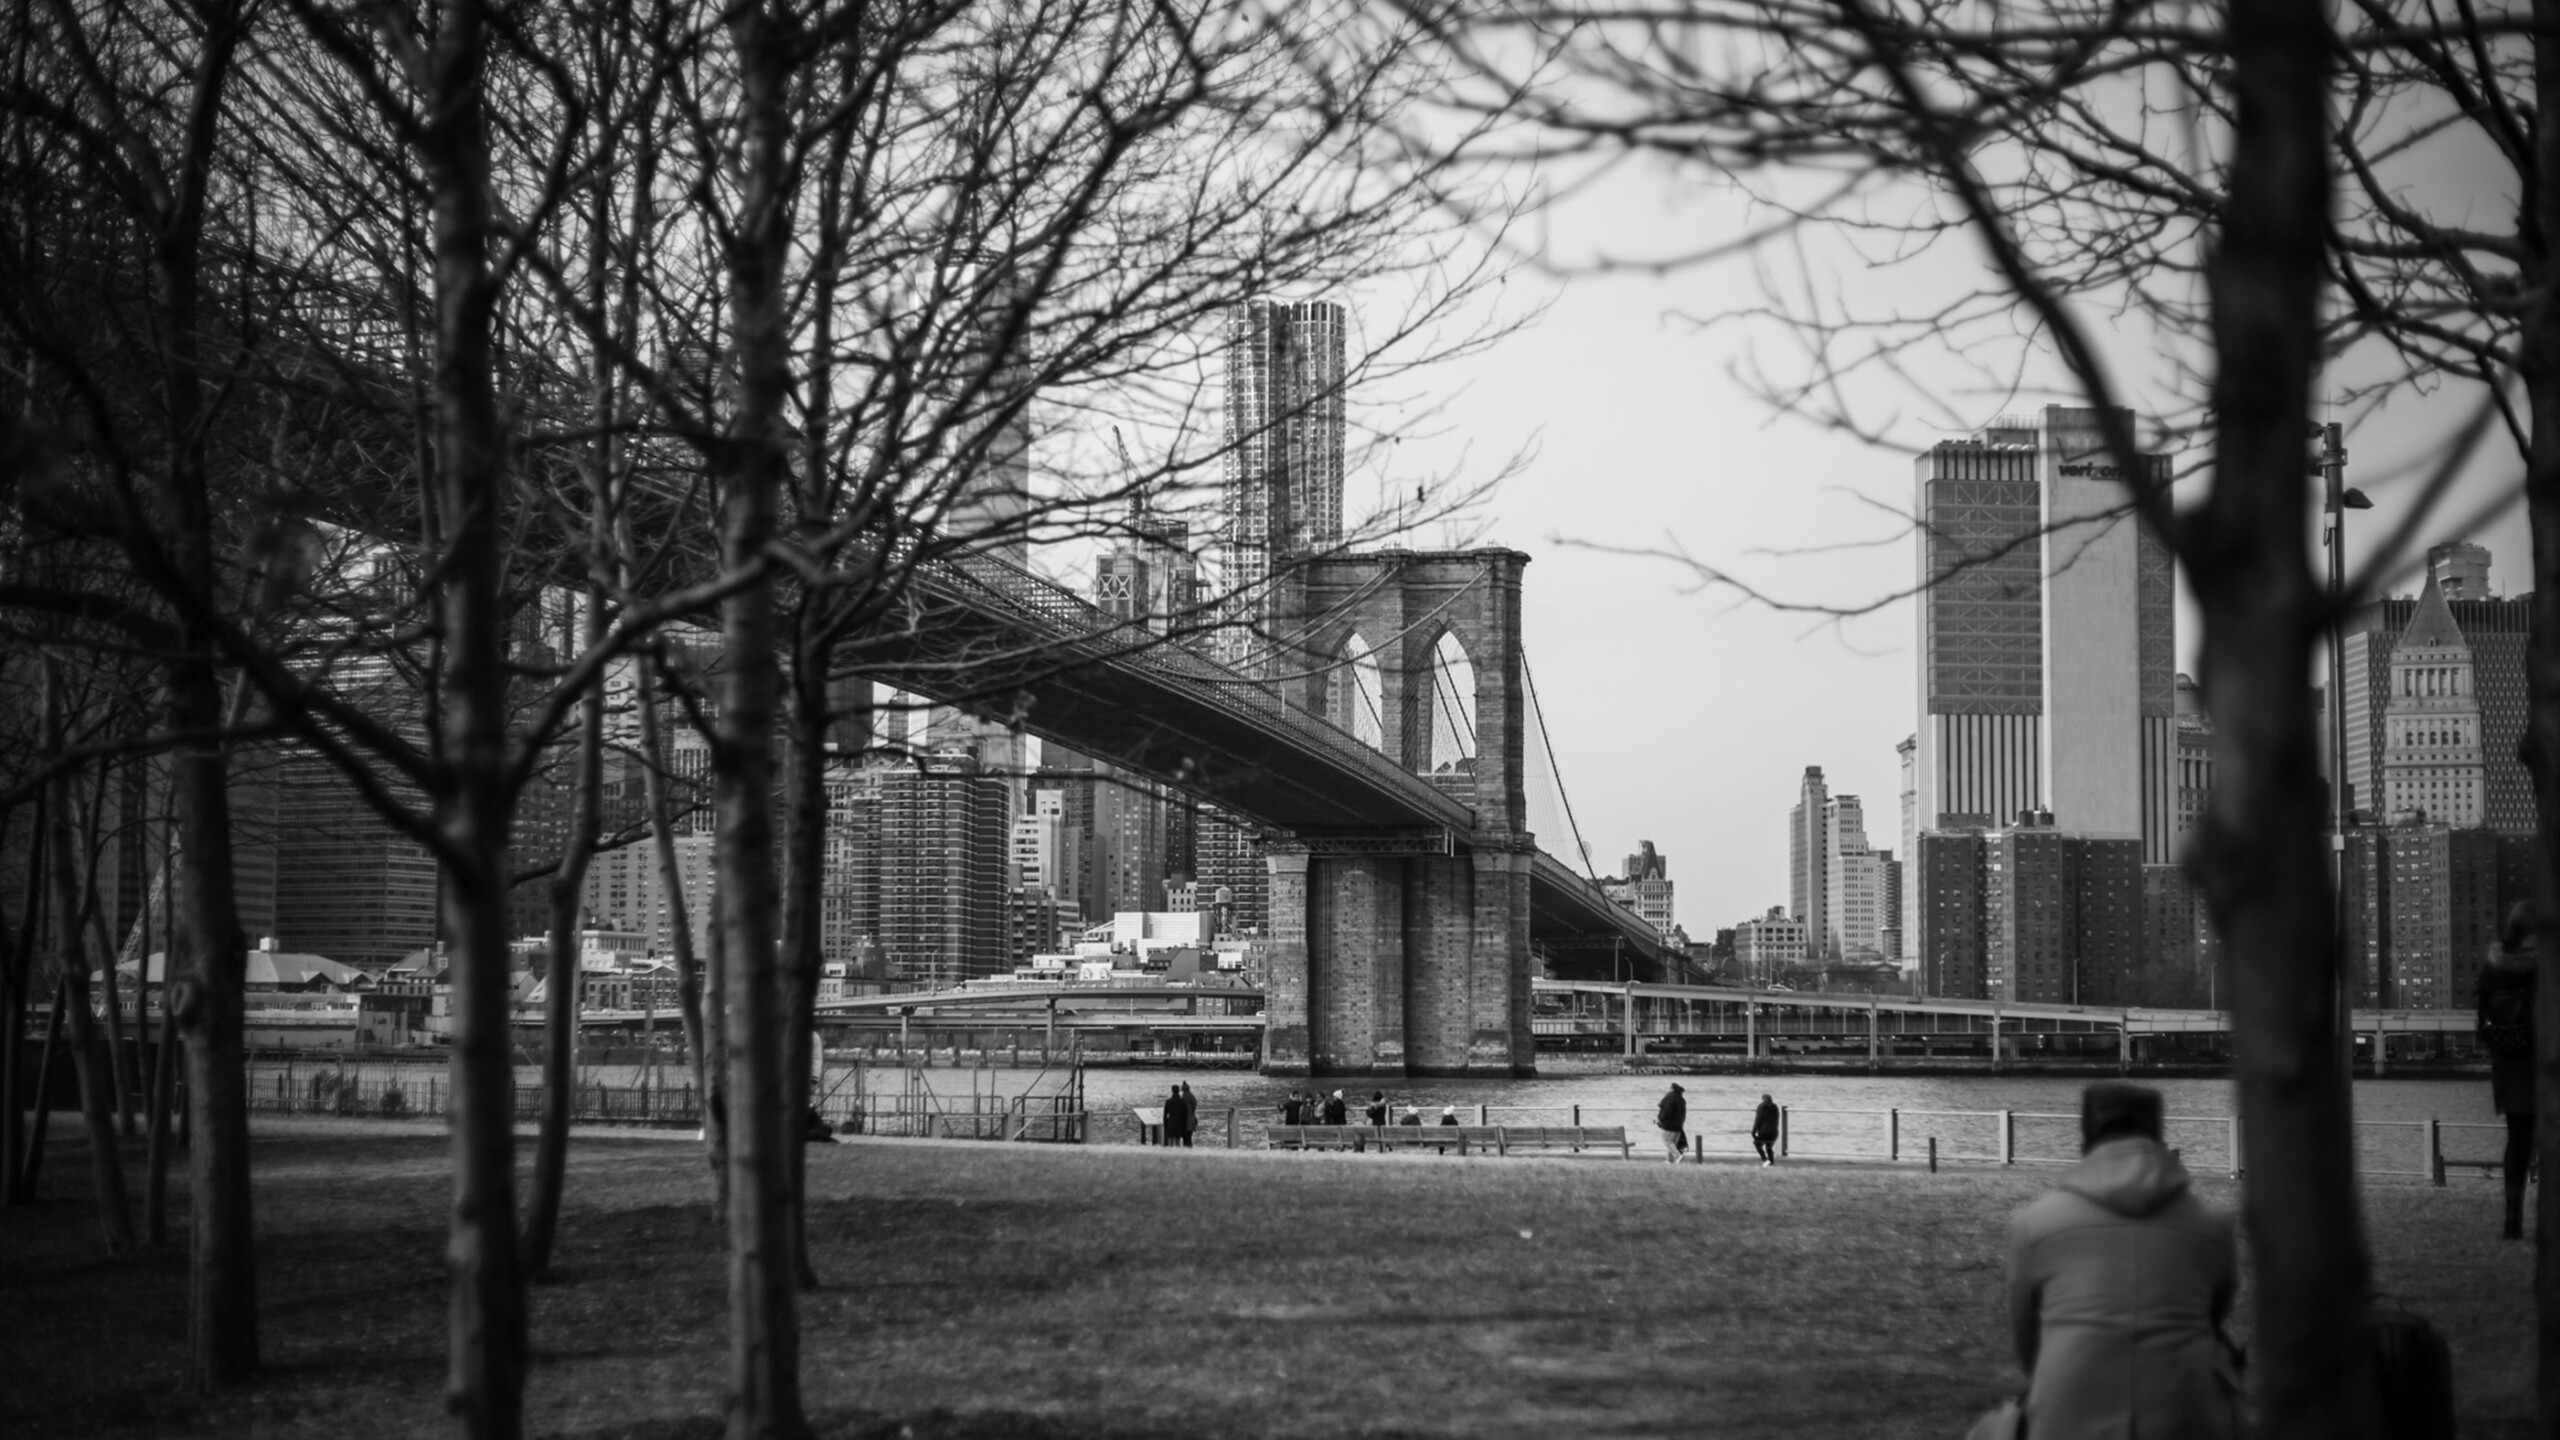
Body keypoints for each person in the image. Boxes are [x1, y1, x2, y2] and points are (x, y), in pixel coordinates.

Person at [2005, 1082, 2239, 1440]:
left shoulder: (2033, 1226)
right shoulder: (2213, 1227)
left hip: (2065, 1417)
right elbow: (2213, 1320)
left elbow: (2028, 1343)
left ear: (2085, 1138)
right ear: (2159, 1135)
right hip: (2185, 1418)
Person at [2480, 902, 2539, 1240]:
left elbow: (2481, 1023)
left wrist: (2503, 1045)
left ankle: (2511, 1218)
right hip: (2543, 1061)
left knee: (2516, 1138)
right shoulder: (2543, 968)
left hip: (2507, 1064)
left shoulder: (2493, 968)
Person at [1656, 1082, 1688, 1164]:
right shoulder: (1681, 1099)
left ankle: (1678, 1155)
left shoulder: (1670, 1097)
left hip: (1669, 1124)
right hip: (1679, 1125)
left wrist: (1660, 1119)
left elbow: (1666, 1110)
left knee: (1666, 1140)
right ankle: (1669, 1160)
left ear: (1671, 1088)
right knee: (1672, 1143)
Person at [1751, 1094, 1780, 1165]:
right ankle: (1771, 1162)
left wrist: (1753, 1132)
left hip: (1764, 1132)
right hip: (1774, 1132)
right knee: (1769, 1146)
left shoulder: (1761, 1109)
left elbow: (1757, 1122)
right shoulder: (1775, 1108)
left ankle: (1765, 1159)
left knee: (1757, 1144)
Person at [1163, 1084, 1189, 1149]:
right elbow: (1185, 1114)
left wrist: (1165, 1124)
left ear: (1172, 1091)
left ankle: (1170, 1154)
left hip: (1171, 1122)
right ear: (1179, 1091)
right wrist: (1184, 1125)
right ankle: (1177, 1155)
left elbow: (1165, 1114)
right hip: (1179, 1123)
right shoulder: (1182, 1102)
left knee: (1169, 1142)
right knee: (1178, 1142)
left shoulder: (1168, 1101)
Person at [1178, 1082, 1200, 1148]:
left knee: (1186, 1137)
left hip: (1186, 1120)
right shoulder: (1191, 1096)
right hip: (1191, 1118)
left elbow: (1184, 1108)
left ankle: (1187, 1150)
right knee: (1189, 1137)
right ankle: (1189, 1149)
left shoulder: (1185, 1097)